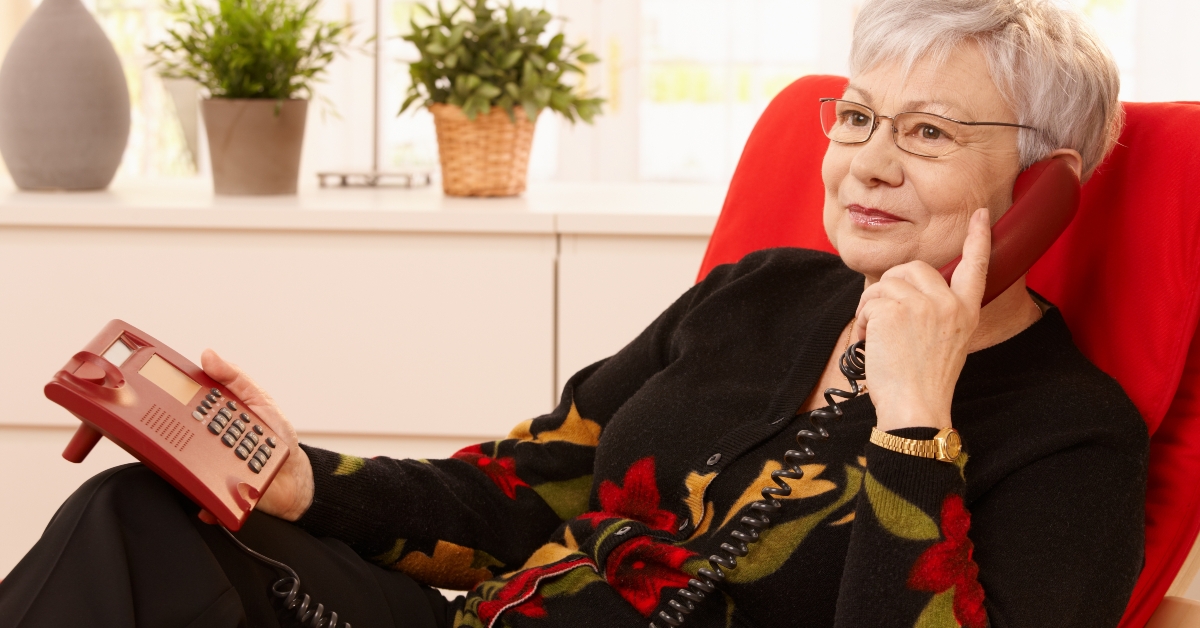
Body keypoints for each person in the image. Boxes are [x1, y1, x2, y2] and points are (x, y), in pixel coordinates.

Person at [0, 0, 1147, 626]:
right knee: (133, 513)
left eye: (929, 132)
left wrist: (912, 420)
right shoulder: (759, 293)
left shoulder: (1072, 435)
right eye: (855, 117)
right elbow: (524, 486)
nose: (868, 162)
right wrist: (304, 477)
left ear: (1040, 189)